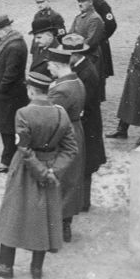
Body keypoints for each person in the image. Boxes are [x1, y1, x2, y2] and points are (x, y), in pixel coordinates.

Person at [0, 71, 77, 279]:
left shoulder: (24, 113)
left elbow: (24, 149)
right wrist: (53, 171)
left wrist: (40, 172)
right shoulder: (61, 113)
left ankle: (5, 265)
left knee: (12, 215)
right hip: (50, 169)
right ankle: (36, 268)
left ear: (31, 90)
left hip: (25, 171)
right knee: (43, 217)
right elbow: (71, 149)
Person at [45, 47, 87, 242]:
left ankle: (58, 226)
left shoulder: (62, 89)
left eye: (49, 65)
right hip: (75, 131)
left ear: (56, 65)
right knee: (70, 179)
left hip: (62, 136)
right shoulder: (76, 81)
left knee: (60, 179)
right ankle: (64, 224)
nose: (48, 68)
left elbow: (49, 117)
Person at [62, 34, 106, 211]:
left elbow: (84, 102)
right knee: (83, 162)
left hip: (87, 124)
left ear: (75, 54)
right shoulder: (82, 67)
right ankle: (81, 201)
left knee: (86, 163)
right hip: (87, 121)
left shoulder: (86, 73)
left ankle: (84, 202)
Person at [108, 13, 140, 145]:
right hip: (135, 74)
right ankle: (122, 130)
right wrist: (130, 69)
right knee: (127, 102)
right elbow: (133, 55)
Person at [0, 15, 29, 174]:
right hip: (11, 94)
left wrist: (0, 90)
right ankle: (10, 158)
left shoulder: (14, 47)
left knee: (8, 128)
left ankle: (8, 161)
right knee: (7, 128)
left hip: (10, 96)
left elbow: (10, 74)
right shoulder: (13, 43)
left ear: (4, 29)